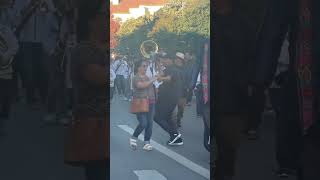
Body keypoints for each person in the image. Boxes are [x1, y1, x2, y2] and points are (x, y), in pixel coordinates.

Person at [63, 0, 108, 179]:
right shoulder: (82, 50)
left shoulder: (108, 49)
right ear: (92, 20)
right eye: (106, 15)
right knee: (99, 173)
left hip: (107, 125)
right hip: (94, 126)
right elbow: (98, 77)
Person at [154, 53, 183, 146]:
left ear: (171, 60)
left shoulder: (174, 69)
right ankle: (176, 138)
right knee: (167, 118)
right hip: (165, 97)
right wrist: (159, 67)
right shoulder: (167, 69)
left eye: (165, 59)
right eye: (162, 59)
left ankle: (174, 135)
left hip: (169, 98)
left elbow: (167, 79)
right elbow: (158, 78)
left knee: (157, 117)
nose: (163, 61)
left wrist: (160, 77)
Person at [129, 60, 157, 151]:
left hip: (151, 102)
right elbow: (141, 86)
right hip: (140, 102)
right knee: (143, 123)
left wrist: (159, 70)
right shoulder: (135, 77)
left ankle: (147, 142)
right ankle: (134, 137)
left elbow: (156, 82)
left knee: (149, 123)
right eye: (143, 66)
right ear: (138, 67)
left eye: (146, 66)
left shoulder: (147, 77)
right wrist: (152, 80)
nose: (145, 68)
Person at [174, 52, 187, 128]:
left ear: (181, 60)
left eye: (178, 59)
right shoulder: (173, 67)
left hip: (183, 90)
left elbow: (187, 78)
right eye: (175, 58)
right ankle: (175, 120)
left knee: (181, 108)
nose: (176, 60)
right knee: (174, 106)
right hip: (174, 89)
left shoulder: (185, 68)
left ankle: (178, 119)